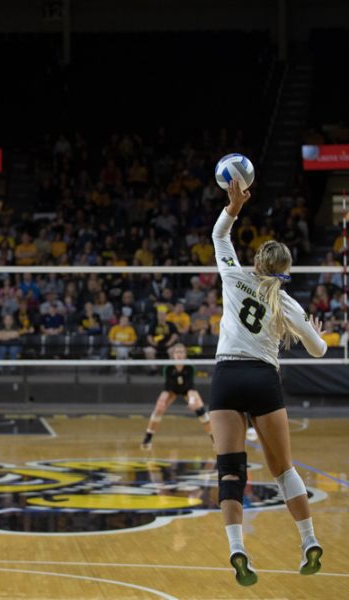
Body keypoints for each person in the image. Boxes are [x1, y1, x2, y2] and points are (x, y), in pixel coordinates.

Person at [210, 180, 327, 586]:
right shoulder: (288, 303)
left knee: (230, 471)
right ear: (286, 269)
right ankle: (309, 540)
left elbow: (218, 234)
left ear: (257, 262)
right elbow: (319, 352)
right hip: (263, 378)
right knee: (283, 470)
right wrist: (314, 331)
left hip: (226, 376)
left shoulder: (234, 276)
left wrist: (235, 204)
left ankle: (238, 548)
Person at [141, 344, 213, 450]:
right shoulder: (168, 368)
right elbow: (167, 388)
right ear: (173, 355)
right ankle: (148, 438)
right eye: (177, 352)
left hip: (187, 390)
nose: (179, 354)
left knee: (201, 412)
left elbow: (190, 387)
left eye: (181, 352)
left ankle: (215, 439)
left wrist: (192, 401)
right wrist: (162, 401)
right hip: (172, 390)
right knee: (158, 409)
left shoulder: (190, 367)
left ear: (185, 355)